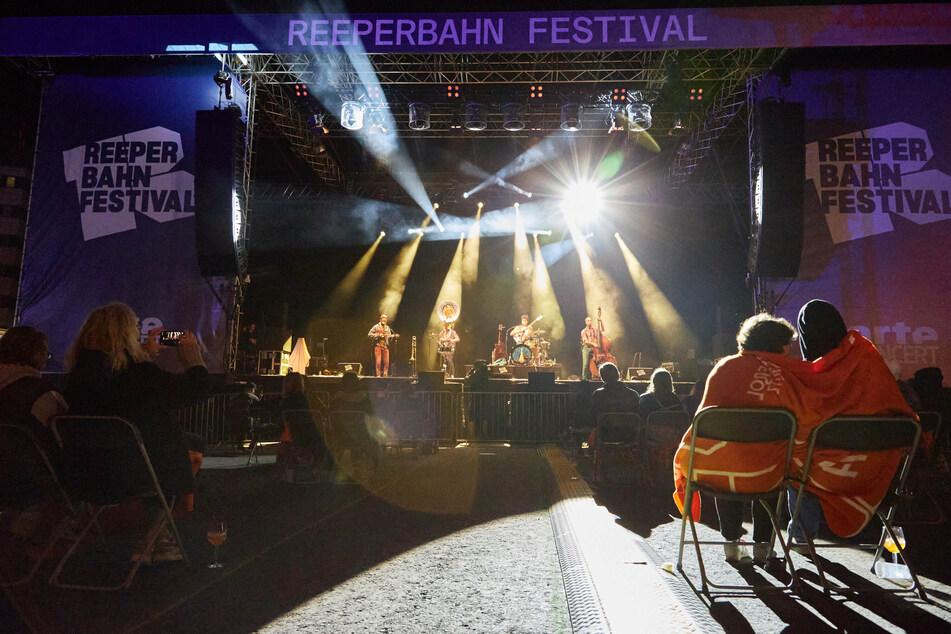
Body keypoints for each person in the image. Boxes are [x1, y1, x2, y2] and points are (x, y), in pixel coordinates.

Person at [63, 303, 209, 544]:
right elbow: (194, 391)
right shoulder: (140, 376)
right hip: (132, 472)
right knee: (190, 449)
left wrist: (143, 354)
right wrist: (193, 360)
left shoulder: (80, 374)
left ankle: (147, 530)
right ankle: (156, 535)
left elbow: (117, 377)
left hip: (83, 472)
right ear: (127, 335)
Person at [673, 313, 797, 563]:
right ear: (777, 344)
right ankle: (763, 547)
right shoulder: (787, 373)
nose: (790, 350)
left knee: (726, 461)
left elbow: (703, 426)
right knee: (774, 464)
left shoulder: (724, 368)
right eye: (787, 344)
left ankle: (730, 544)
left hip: (721, 474)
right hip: (767, 473)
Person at [0, 326, 69, 541]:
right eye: (45, 353)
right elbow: (63, 435)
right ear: (36, 354)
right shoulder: (41, 392)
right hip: (22, 476)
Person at [280, 371, 330, 475]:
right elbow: (325, 411)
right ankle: (323, 468)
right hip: (314, 435)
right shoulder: (311, 400)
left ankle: (292, 463)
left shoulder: (285, 402)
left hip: (293, 436)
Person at [227, 382, 259, 451]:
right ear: (252, 389)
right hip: (247, 420)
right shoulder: (253, 397)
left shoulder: (236, 397)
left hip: (234, 421)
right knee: (257, 429)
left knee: (239, 429)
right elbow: (257, 409)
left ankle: (240, 445)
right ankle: (252, 446)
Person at [580, 316, 599, 381]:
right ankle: (584, 379)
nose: (590, 322)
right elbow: (585, 341)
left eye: (590, 320)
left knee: (594, 363)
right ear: (586, 322)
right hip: (586, 348)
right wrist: (593, 344)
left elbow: (602, 329)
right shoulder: (583, 331)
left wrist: (600, 320)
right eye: (588, 321)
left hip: (593, 348)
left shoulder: (594, 330)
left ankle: (594, 378)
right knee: (585, 364)